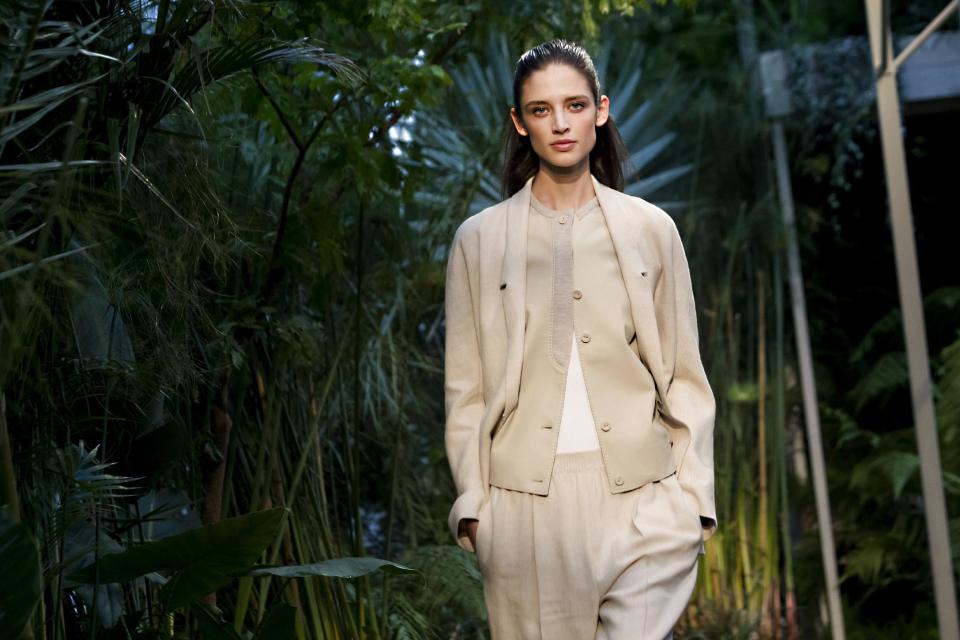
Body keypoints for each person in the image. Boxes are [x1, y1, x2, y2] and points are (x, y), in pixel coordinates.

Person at [442, 38, 716, 640]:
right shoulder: (479, 241)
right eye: (540, 110)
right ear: (520, 123)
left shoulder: (651, 230)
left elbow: (683, 377)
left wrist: (692, 505)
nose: (560, 123)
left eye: (574, 104)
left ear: (601, 109)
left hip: (644, 501)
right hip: (523, 515)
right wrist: (477, 510)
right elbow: (465, 393)